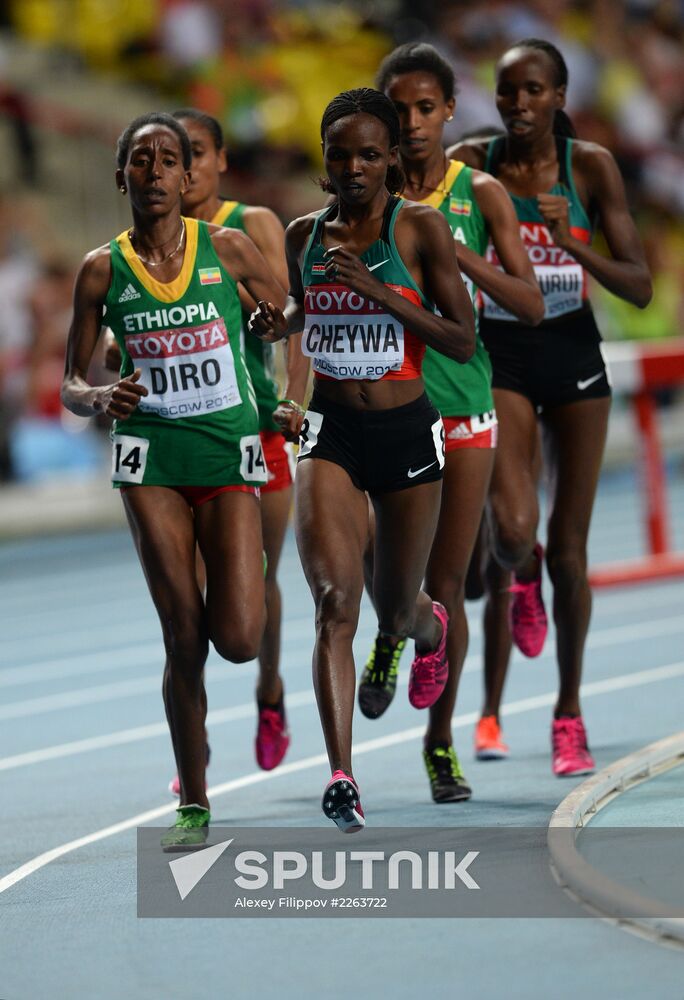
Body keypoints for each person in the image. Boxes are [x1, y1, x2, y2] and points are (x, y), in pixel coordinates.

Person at [250, 87, 475, 831]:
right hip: (331, 433)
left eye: (369, 153)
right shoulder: (303, 234)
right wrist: (273, 318)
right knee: (334, 603)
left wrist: (380, 291)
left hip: (407, 432)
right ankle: (342, 776)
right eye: (340, 154)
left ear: (389, 162)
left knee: (395, 605)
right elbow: (304, 311)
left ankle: (428, 629)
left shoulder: (422, 231)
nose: (354, 166)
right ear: (323, 162)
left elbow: (461, 339)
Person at [61, 112, 286, 848]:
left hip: (226, 449)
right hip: (149, 457)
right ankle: (194, 797)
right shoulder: (101, 268)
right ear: (120, 175)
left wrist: (272, 327)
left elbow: (283, 312)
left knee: (242, 640)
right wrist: (100, 397)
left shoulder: (225, 246)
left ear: (188, 176)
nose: (156, 172)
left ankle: (239, 571)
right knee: (183, 636)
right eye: (141, 160)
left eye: (169, 159)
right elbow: (70, 380)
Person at [450, 38, 651, 776]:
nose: (520, 104)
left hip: (573, 353)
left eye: (534, 90)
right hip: (502, 352)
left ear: (560, 96)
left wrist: (572, 243)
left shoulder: (589, 165)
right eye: (507, 93)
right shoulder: (472, 164)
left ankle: (569, 714)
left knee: (572, 552)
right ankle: (519, 564)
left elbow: (638, 286)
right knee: (512, 527)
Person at [357, 43, 543, 804]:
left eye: (425, 108)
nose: (412, 123)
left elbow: (530, 306)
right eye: (397, 110)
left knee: (451, 582)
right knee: (381, 571)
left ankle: (441, 750)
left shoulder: (483, 192)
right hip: (386, 407)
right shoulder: (363, 193)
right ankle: (389, 630)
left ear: (447, 111)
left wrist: (453, 252)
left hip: (464, 402)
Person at [167, 108, 308, 781]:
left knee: (260, 578)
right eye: (171, 155)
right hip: (184, 438)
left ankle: (271, 692)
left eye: (194, 152)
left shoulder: (250, 226)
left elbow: (290, 315)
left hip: (255, 431)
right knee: (184, 599)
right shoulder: (146, 240)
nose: (183, 167)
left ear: (221, 159)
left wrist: (295, 397)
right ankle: (191, 736)